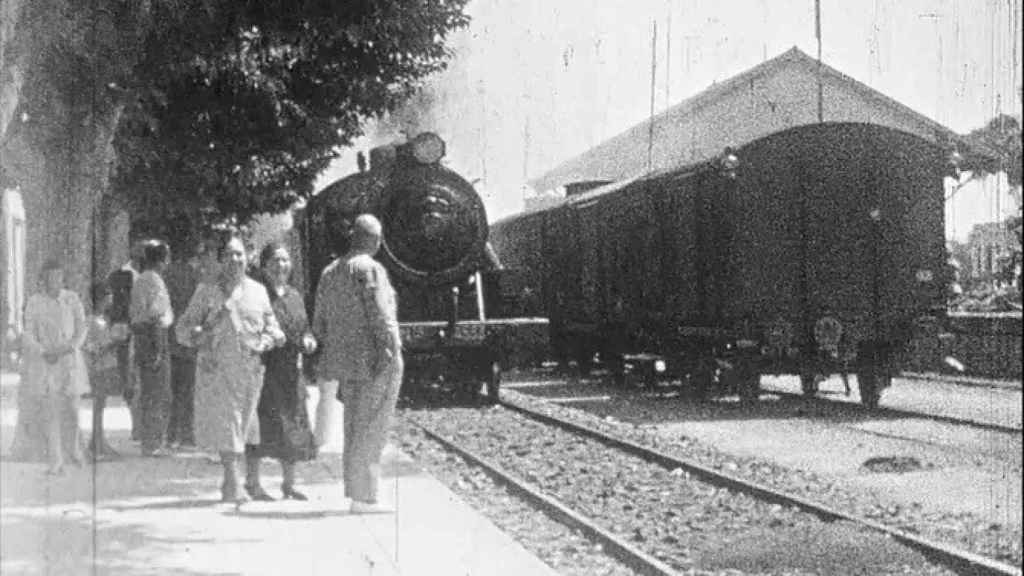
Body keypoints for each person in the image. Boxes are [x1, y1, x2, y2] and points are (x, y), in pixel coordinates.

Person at [176, 232, 284, 504]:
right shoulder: (206, 291)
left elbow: (274, 329)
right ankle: (233, 482)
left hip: (249, 371)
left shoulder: (258, 291)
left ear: (248, 259)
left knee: (244, 424)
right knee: (228, 423)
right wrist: (200, 333)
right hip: (217, 369)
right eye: (229, 255)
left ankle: (231, 482)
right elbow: (182, 330)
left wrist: (267, 341)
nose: (235, 259)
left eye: (239, 254)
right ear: (221, 260)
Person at [313, 214, 403, 514]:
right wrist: (391, 351)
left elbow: (320, 325)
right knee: (372, 427)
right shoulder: (369, 268)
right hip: (376, 361)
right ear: (376, 241)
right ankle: (364, 499)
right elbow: (382, 317)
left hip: (346, 364)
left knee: (353, 427)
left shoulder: (329, 273)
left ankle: (357, 492)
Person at [244, 242, 318, 501]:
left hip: (290, 371)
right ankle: (252, 483)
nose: (281, 265)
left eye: (285, 260)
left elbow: (305, 327)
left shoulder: (295, 295)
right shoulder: (257, 295)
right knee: (259, 427)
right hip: (265, 369)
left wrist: (309, 340)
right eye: (275, 260)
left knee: (293, 425)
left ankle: (289, 484)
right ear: (264, 266)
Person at [10, 258, 89, 474]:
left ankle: (74, 453)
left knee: (72, 411)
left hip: (69, 361)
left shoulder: (71, 299)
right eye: (50, 277)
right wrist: (44, 352)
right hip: (46, 362)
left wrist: (71, 347)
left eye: (58, 276)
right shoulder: (35, 302)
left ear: (63, 278)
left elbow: (82, 327)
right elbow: (28, 332)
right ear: (43, 279)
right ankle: (56, 461)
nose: (54, 281)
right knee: (51, 412)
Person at [130, 241, 174, 457]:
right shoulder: (154, 280)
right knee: (158, 391)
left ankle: (148, 440)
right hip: (153, 336)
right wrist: (157, 350)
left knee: (149, 390)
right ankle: (153, 442)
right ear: (163, 259)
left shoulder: (140, 279)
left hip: (142, 334)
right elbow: (157, 316)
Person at [107, 240, 149, 442]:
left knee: (141, 377)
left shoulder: (149, 276)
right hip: (126, 331)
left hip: (143, 332)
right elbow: (115, 308)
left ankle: (141, 424)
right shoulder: (119, 276)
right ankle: (136, 423)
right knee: (129, 379)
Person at [83, 280, 130, 459]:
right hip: (98, 369)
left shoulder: (102, 320)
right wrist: (113, 342)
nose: (110, 300)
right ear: (101, 299)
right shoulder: (92, 321)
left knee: (101, 405)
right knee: (98, 405)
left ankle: (99, 440)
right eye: (108, 296)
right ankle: (96, 442)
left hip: (105, 367)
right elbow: (92, 348)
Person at [164, 245, 200, 449]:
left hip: (170, 337)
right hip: (188, 339)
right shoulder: (194, 275)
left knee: (172, 389)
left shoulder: (166, 274)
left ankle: (171, 434)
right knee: (188, 389)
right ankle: (187, 433)